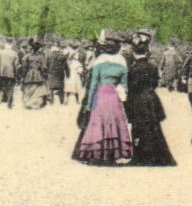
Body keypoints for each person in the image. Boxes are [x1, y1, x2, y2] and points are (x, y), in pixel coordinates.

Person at [74, 39, 132, 165]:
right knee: (114, 123)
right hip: (113, 95)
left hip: (100, 95)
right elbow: (125, 86)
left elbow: (93, 84)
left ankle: (96, 152)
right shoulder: (121, 63)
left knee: (98, 123)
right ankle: (115, 153)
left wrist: (89, 104)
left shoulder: (99, 62)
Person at [125, 32, 175, 167]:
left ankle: (140, 155)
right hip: (151, 98)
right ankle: (157, 155)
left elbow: (130, 87)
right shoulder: (152, 67)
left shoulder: (132, 69)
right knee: (153, 127)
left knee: (138, 127)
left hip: (138, 100)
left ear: (134, 54)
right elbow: (154, 83)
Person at [20, 42, 50, 110]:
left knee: (28, 87)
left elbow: (24, 66)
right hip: (38, 73)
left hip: (29, 73)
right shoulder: (41, 57)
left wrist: (23, 75)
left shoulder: (27, 56)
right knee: (38, 88)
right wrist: (44, 74)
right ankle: (35, 104)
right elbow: (44, 67)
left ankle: (27, 102)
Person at [0, 39, 18, 107]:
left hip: (2, 73)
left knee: (1, 88)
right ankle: (9, 103)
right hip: (11, 73)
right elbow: (16, 65)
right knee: (10, 88)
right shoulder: (14, 53)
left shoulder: (0, 53)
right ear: (11, 45)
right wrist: (16, 73)